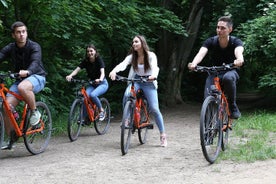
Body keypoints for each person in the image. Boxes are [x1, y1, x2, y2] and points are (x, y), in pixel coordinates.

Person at [109, 35, 167, 147]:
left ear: (142, 43)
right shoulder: (132, 57)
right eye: (133, 42)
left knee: (154, 109)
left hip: (149, 82)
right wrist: (114, 71)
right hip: (137, 80)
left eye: (136, 41)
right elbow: (123, 64)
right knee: (127, 95)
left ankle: (163, 135)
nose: (134, 44)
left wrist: (153, 75)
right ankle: (127, 119)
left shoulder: (150, 55)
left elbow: (155, 67)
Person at [0, 21, 47, 148]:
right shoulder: (10, 47)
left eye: (23, 31)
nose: (21, 34)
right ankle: (12, 137)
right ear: (13, 35)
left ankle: (34, 112)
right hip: (20, 79)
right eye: (18, 32)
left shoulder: (34, 46)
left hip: (37, 76)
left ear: (26, 33)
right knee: (6, 107)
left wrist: (28, 71)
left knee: (22, 87)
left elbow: (35, 62)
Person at [188, 16, 244, 119]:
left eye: (223, 28)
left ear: (230, 29)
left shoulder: (235, 41)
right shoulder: (211, 41)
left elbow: (239, 51)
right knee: (207, 96)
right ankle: (208, 127)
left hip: (230, 71)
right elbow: (201, 53)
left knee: (228, 78)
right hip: (214, 72)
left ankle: (232, 106)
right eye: (218, 27)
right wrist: (194, 63)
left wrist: (239, 59)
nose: (219, 30)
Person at [66, 44, 108, 122]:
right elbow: (77, 70)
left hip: (102, 84)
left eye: (91, 51)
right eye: (88, 51)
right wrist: (70, 75)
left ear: (95, 51)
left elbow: (102, 72)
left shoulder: (99, 60)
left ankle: (101, 111)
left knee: (93, 95)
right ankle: (84, 117)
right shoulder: (86, 61)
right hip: (92, 84)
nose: (89, 53)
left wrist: (100, 79)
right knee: (85, 97)